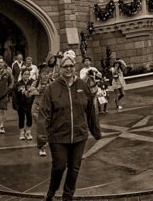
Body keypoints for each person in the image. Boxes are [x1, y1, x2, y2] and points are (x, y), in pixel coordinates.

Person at [38, 51, 102, 200]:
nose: (69, 69)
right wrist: (42, 138)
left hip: (79, 135)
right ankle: (51, 192)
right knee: (59, 166)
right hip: (58, 137)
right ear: (60, 68)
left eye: (71, 66)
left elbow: (91, 110)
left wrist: (95, 131)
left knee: (74, 168)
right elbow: (44, 114)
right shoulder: (52, 88)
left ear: (75, 67)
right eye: (65, 66)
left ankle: (68, 196)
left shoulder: (82, 85)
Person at [33, 55, 57, 157]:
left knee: (50, 126)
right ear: (40, 74)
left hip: (49, 105)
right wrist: (37, 90)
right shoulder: (36, 82)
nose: (45, 75)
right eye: (43, 73)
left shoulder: (52, 83)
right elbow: (29, 92)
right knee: (41, 125)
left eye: (47, 73)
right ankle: (41, 146)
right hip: (38, 105)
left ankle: (48, 140)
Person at [13, 62, 37, 140]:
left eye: (27, 74)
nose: (26, 75)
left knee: (29, 118)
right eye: (25, 74)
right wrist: (15, 105)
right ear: (22, 75)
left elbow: (34, 93)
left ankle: (28, 132)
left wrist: (33, 102)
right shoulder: (18, 84)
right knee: (21, 118)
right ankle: (22, 133)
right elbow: (15, 96)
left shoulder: (32, 83)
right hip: (21, 104)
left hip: (29, 104)